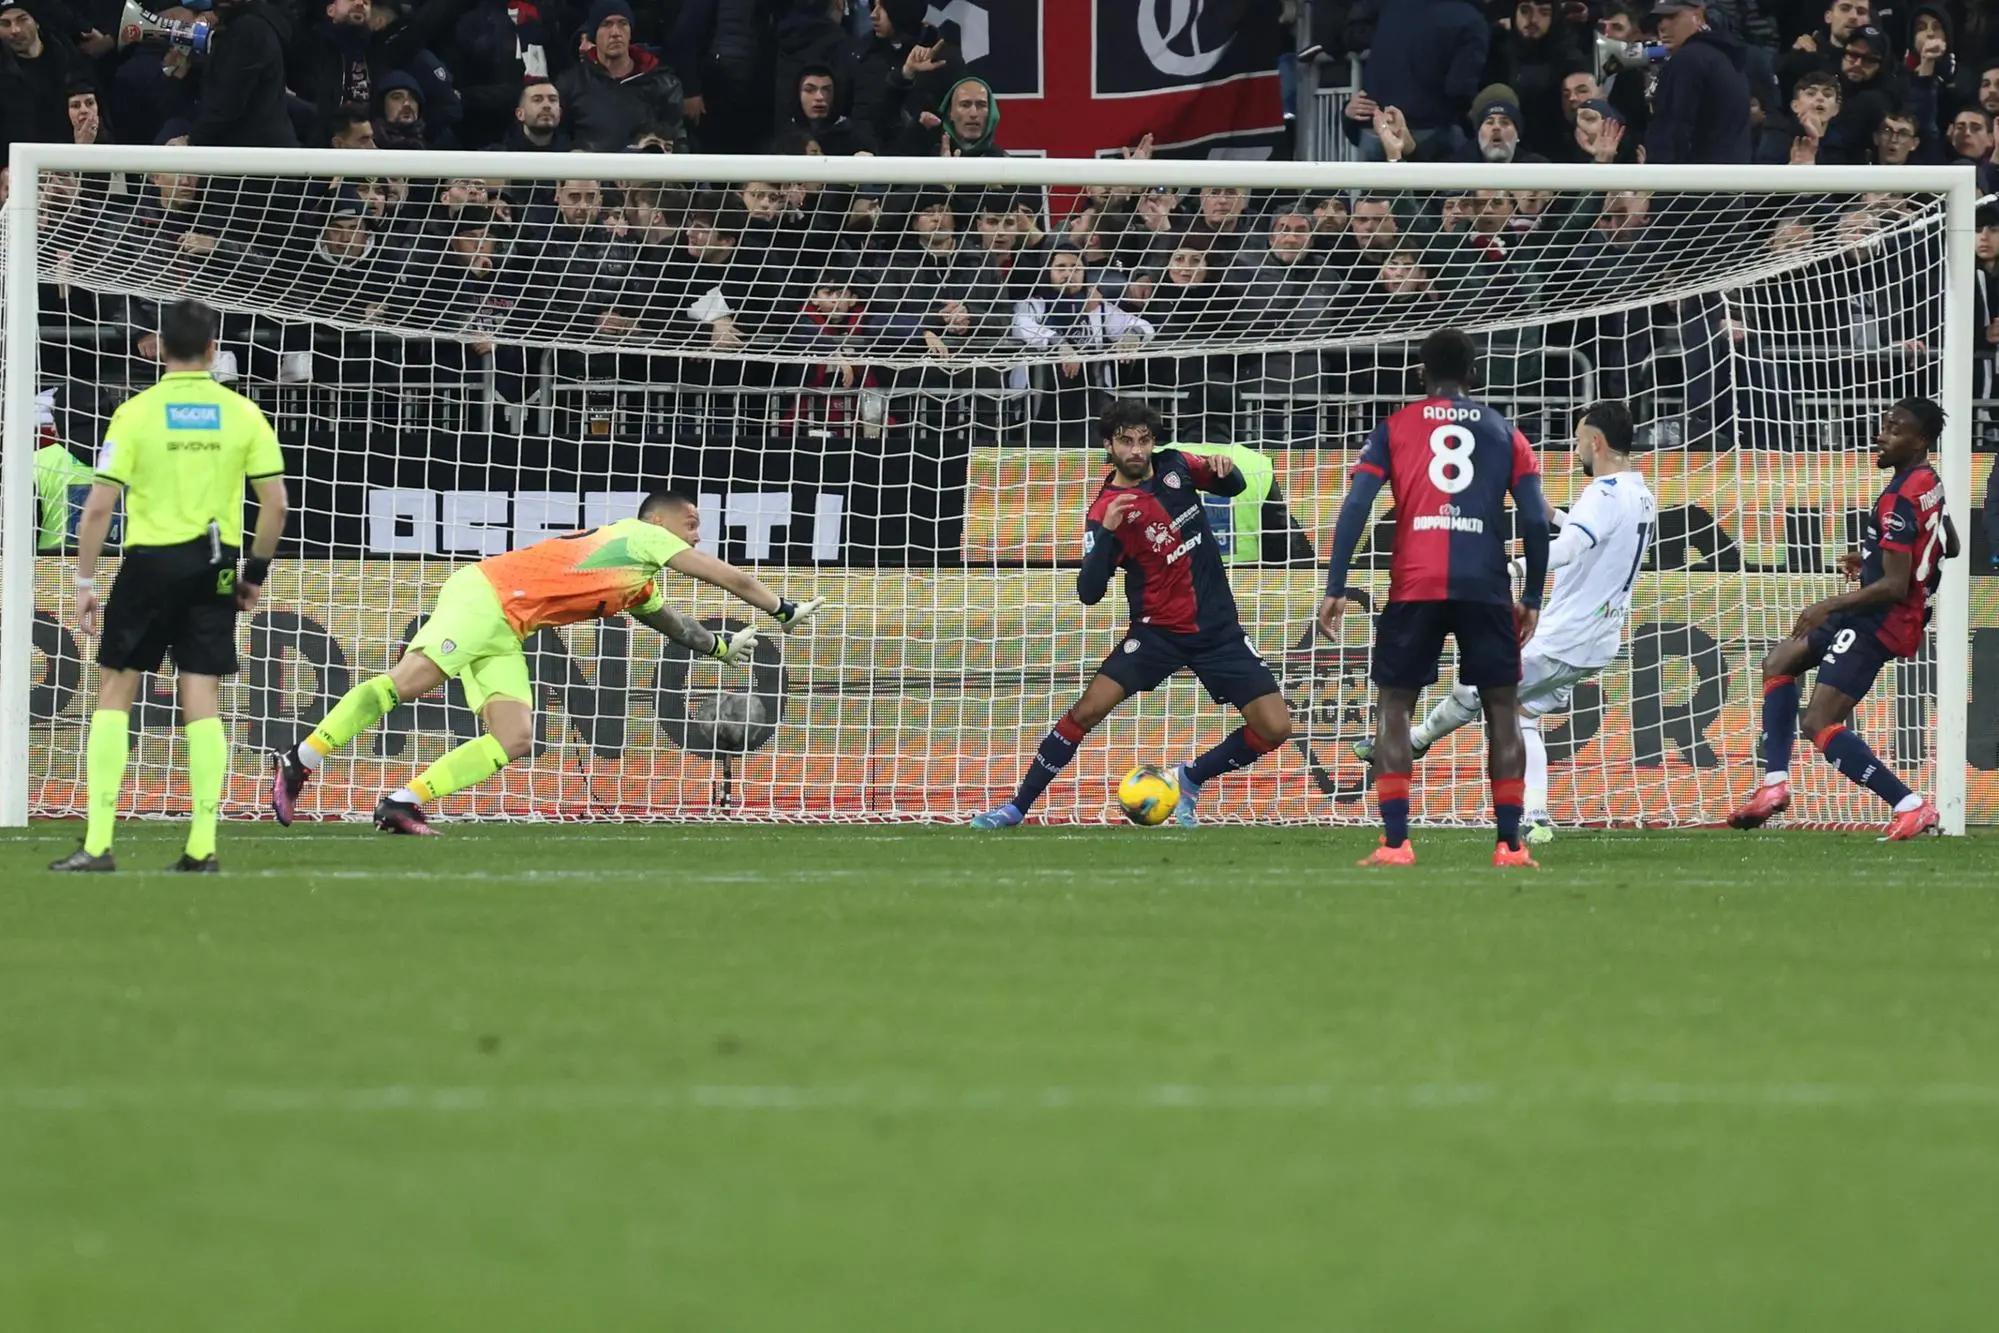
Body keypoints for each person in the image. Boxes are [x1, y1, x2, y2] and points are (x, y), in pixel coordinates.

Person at [269, 493, 827, 834]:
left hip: (508, 626)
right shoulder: (638, 536)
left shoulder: (636, 579)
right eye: (691, 523)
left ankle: (402, 802)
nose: (697, 534)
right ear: (659, 521)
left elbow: (674, 624)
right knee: (410, 682)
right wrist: (782, 609)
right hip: (485, 596)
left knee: (513, 737)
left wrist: (720, 649)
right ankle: (301, 757)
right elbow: (726, 576)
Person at [968, 400, 1294, 829]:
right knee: (1087, 711)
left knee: (1276, 727)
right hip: (1157, 634)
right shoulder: (1106, 510)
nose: (1136, 450)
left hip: (1218, 630)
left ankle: (1190, 778)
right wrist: (1106, 536)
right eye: (1126, 441)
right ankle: (1016, 808)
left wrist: (1224, 469)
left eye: (1143, 440)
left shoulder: (1176, 466)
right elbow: (1089, 592)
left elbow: (1230, 487)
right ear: (1110, 445)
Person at [49, 300, 290, 873]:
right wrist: (252, 575)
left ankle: (100, 843)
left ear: (159, 348)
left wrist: (84, 581)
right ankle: (202, 846)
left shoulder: (135, 412)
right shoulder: (242, 412)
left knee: (114, 692)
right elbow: (276, 505)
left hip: (150, 564)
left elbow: (99, 507)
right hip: (216, 564)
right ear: (213, 351)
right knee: (201, 696)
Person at [1358, 401, 1656, 846]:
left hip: (1564, 637)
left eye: (1578, 442)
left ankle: (1416, 741)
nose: (1576, 453)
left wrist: (1514, 569)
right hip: (1598, 640)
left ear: (1597, 441)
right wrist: (1550, 514)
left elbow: (1571, 547)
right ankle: (1536, 818)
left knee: (1478, 687)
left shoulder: (1603, 492)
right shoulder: (1640, 494)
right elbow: (1592, 534)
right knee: (1524, 713)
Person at [1317, 327, 1551, 868]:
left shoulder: (1393, 428)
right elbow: (1536, 520)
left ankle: (1397, 843)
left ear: (1420, 375)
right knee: (1502, 711)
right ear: (1474, 375)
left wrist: (1335, 585)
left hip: (1415, 582)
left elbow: (1356, 506)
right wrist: (1534, 594)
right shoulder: (1505, 431)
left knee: (1395, 706)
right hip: (1486, 585)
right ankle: (1509, 845)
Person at [1726, 400, 1958, 841]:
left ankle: (1910, 806)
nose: (1881, 434)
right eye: (1883, 425)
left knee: (1819, 722)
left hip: (1882, 619)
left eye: (1895, 429)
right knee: (1779, 662)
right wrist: (1871, 557)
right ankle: (1774, 785)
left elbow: (1893, 586)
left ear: (1921, 440)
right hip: (1880, 608)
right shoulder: (1929, 482)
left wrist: (1830, 604)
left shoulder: (1899, 497)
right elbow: (1951, 542)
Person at [1645, 0, 1751, 165]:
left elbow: (1673, 129)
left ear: (1698, 16)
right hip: (1733, 179)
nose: (1662, 26)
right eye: (1660, 19)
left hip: (1694, 182)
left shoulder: (1688, 58)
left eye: (1672, 16)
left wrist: (1658, 178)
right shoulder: (1726, 56)